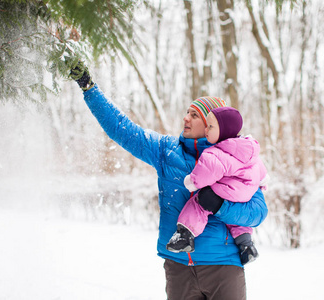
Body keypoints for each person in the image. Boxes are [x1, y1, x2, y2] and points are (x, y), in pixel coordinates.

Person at [69, 61, 268, 300]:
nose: (185, 118)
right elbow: (122, 129)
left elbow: (257, 212)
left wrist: (219, 206)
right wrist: (89, 88)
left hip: (223, 266)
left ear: (209, 125)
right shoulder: (166, 151)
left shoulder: (237, 159)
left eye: (194, 115)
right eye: (187, 112)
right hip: (178, 267)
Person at [166, 106, 268, 266]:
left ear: (224, 132)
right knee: (235, 220)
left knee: (198, 204)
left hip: (225, 190)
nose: (206, 129)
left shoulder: (215, 152)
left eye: (211, 127)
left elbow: (206, 172)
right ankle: (246, 245)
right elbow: (260, 169)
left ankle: (185, 235)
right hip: (245, 193)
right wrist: (262, 182)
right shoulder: (249, 149)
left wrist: (191, 182)